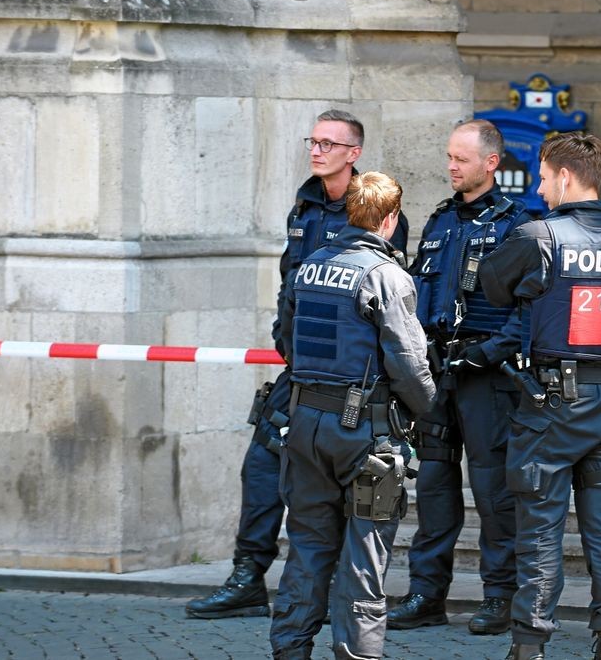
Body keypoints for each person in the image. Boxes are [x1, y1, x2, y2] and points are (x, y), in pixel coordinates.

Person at [186, 110, 407, 621]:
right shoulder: (303, 206)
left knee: (341, 488)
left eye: (330, 143)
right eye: (314, 140)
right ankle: (247, 575)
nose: (317, 150)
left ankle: (329, 589)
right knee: (261, 462)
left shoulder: (374, 207)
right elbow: (291, 288)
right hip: (302, 368)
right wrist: (286, 341)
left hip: (352, 379)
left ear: (353, 154)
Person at [479, 131, 601, 660]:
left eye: (541, 175)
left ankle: (530, 643)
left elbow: (492, 288)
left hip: (552, 406)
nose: (538, 186)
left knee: (539, 526)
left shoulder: (538, 235)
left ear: (563, 175)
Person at [269, 171, 435, 660]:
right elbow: (409, 364)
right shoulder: (385, 275)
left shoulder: (310, 267)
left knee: (307, 550)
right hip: (363, 434)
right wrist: (428, 409)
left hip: (305, 426)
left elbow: (284, 338)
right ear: (390, 219)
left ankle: (289, 651)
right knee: (364, 558)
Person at [387, 120, 530, 634]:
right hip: (436, 374)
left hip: (487, 377)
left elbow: (529, 310)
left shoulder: (519, 225)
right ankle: (426, 594)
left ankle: (500, 596)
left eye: (461, 159)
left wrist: (490, 353)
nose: (451, 166)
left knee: (494, 492)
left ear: (490, 163)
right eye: (449, 157)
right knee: (434, 485)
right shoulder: (441, 220)